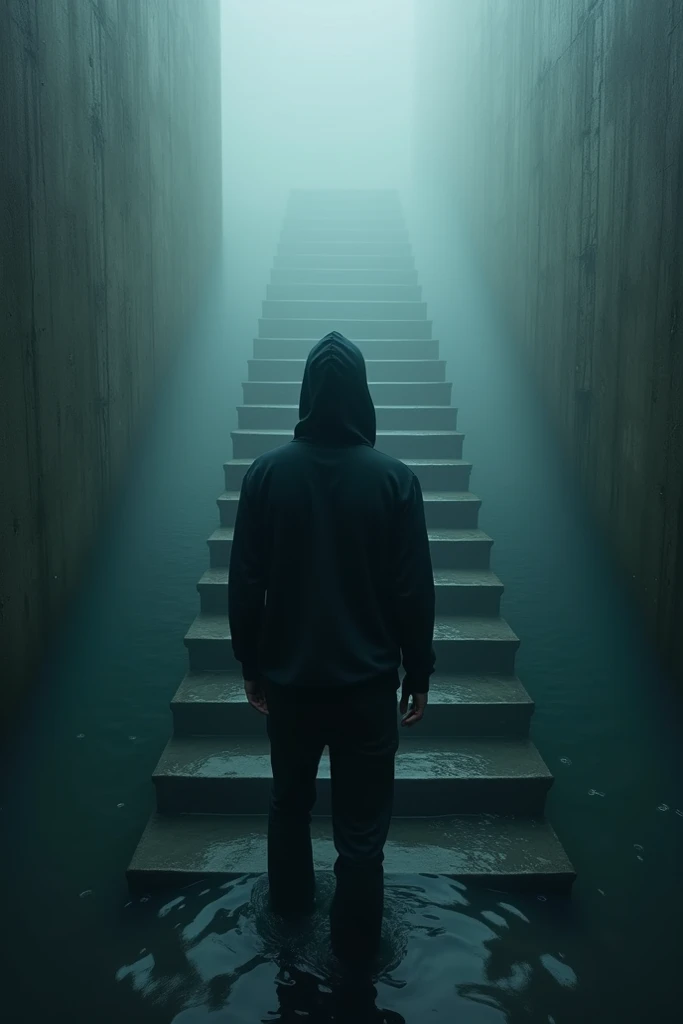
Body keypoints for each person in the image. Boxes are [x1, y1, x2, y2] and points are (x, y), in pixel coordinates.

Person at [228, 330, 436, 964]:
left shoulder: (265, 476)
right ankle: (356, 960)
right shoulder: (396, 482)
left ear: (306, 392)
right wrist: (417, 672)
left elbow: (245, 583)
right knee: (362, 839)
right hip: (367, 690)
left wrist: (251, 665)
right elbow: (413, 591)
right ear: (363, 395)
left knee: (288, 806)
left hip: (291, 684)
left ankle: (287, 930)